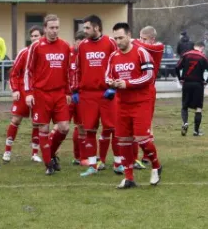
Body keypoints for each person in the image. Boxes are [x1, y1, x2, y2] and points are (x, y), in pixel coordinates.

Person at [106, 22, 162, 189]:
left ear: (129, 36)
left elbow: (149, 77)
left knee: (142, 139)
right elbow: (107, 76)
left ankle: (156, 166)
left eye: (121, 37)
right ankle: (129, 177)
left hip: (141, 103)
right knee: (123, 140)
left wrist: (127, 83)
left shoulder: (141, 53)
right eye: (115, 38)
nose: (118, 41)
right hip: (122, 103)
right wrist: (111, 83)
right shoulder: (113, 56)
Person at [75, 15, 124, 177]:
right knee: (89, 130)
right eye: (84, 28)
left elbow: (118, 63)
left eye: (88, 28)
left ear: (97, 27)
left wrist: (114, 87)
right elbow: (78, 70)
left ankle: (118, 163)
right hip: (88, 94)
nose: (85, 31)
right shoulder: (82, 45)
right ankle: (92, 165)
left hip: (106, 93)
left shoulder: (110, 42)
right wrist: (75, 90)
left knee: (114, 128)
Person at [24, 14, 72, 175]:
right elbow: (28, 71)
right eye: (51, 28)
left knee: (64, 127)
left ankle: (50, 154)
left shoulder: (65, 46)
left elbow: (68, 71)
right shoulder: (36, 46)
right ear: (45, 28)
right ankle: (48, 164)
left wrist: (68, 91)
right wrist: (28, 93)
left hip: (59, 93)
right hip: (41, 93)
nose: (54, 31)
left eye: (57, 27)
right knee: (43, 128)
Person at [2, 26, 44, 164]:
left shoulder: (45, 53)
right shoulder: (24, 53)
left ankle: (34, 153)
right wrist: (15, 90)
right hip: (22, 92)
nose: (34, 38)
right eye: (32, 36)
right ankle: (7, 151)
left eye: (36, 36)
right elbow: (13, 73)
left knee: (37, 123)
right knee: (16, 120)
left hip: (38, 93)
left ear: (42, 37)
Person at [132, 25, 165, 168]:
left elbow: (139, 45)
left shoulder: (157, 47)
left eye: (144, 38)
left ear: (152, 39)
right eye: (140, 38)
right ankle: (135, 157)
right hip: (137, 88)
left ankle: (146, 156)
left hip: (148, 89)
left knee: (146, 123)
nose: (141, 41)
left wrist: (132, 40)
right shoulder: (141, 46)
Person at [175, 41, 208, 136]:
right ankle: (196, 131)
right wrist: (206, 81)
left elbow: (177, 67)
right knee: (198, 108)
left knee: (185, 106)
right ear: (201, 47)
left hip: (187, 83)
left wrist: (180, 79)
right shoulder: (203, 57)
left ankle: (185, 122)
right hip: (198, 84)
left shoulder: (186, 55)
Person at [67, 31, 87, 166]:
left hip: (81, 96)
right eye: (77, 42)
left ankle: (80, 157)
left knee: (81, 126)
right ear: (74, 42)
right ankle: (51, 154)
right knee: (61, 126)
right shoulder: (67, 53)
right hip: (67, 96)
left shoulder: (85, 55)